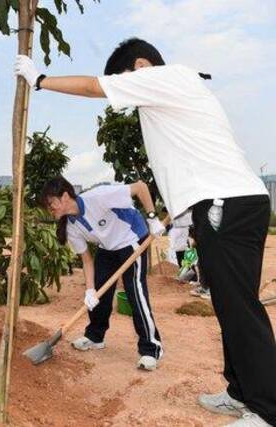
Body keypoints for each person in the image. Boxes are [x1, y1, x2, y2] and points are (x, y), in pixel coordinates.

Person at [14, 38, 274, 426]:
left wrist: (41, 80)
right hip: (222, 204)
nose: (127, 92)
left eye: (125, 80)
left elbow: (95, 87)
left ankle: (267, 409)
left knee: (239, 309)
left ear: (139, 66)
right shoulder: (173, 94)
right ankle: (240, 392)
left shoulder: (164, 78)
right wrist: (180, 219)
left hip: (226, 203)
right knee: (227, 306)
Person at [40, 177, 165, 371]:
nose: (50, 208)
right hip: (108, 247)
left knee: (135, 291)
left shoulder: (98, 197)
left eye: (51, 203)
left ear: (64, 196)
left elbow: (140, 187)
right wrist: (90, 291)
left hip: (131, 239)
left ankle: (151, 348)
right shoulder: (71, 227)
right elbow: (87, 260)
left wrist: (152, 218)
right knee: (99, 289)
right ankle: (95, 336)